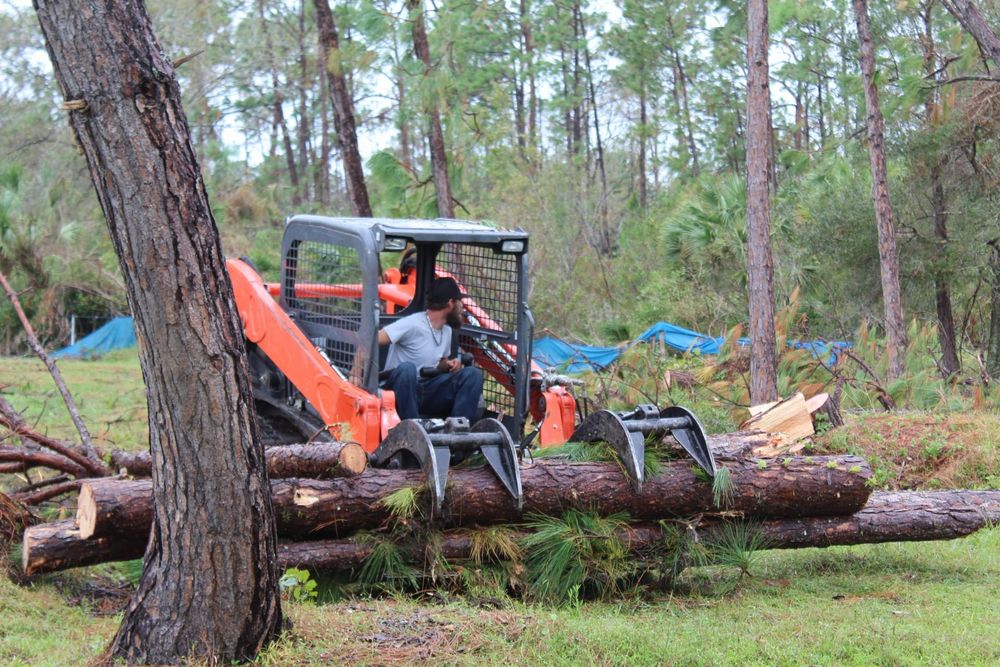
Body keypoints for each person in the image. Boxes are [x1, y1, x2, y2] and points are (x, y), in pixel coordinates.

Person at [378, 277, 483, 422]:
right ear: (450, 303)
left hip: (427, 390)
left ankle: (458, 430)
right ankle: (413, 430)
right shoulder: (412, 324)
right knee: (408, 369)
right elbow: (369, 340)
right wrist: (355, 374)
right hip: (399, 390)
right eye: (460, 302)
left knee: (473, 374)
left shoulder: (447, 331)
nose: (462, 308)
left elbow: (438, 363)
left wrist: (448, 364)